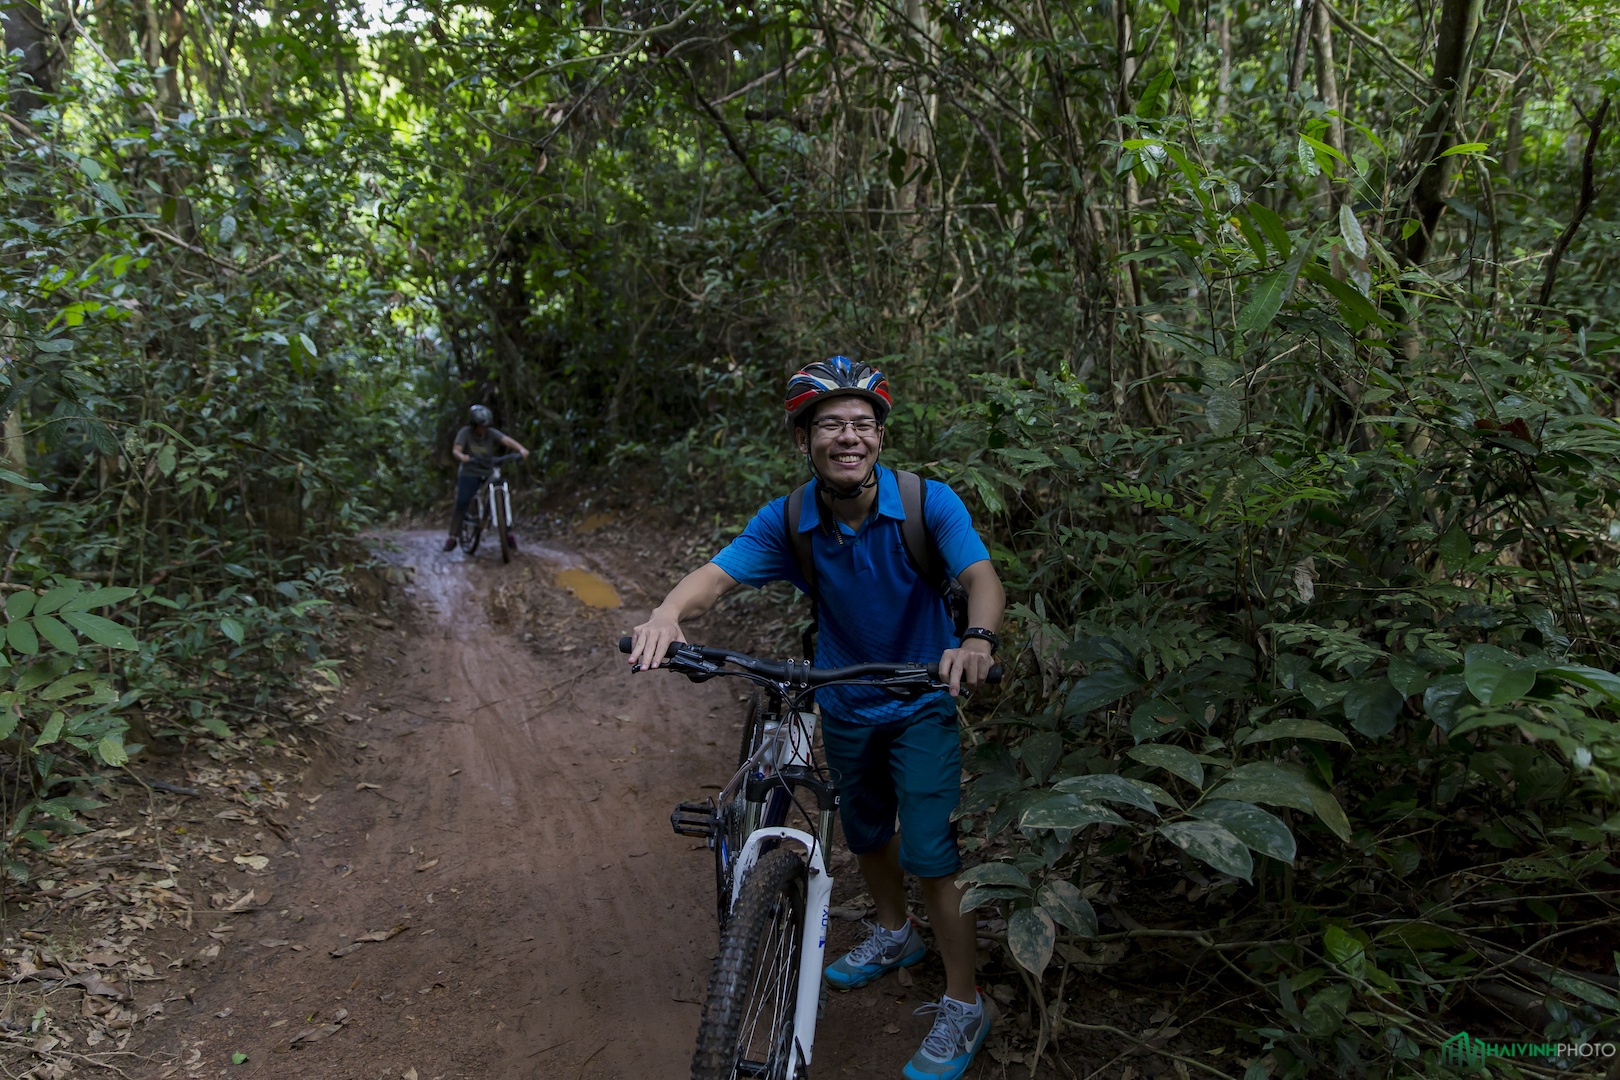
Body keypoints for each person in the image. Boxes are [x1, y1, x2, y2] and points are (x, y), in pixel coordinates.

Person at [627, 356, 1005, 1080]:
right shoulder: (792, 519)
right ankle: (896, 933)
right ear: (804, 439)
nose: (848, 437)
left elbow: (980, 579)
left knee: (930, 851)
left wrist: (977, 641)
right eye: (830, 424)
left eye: (862, 423)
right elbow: (718, 575)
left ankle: (966, 1002)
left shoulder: (929, 504)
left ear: (880, 437)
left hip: (922, 698)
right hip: (845, 700)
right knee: (863, 833)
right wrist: (667, 614)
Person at [443, 404, 529, 552]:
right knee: (463, 501)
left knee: (502, 490)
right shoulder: (465, 433)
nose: (484, 429)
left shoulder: (491, 433)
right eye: (481, 427)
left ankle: (507, 531)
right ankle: (453, 537)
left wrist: (520, 449)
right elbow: (456, 450)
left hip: (488, 469)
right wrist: (462, 456)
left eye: (486, 426)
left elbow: (506, 440)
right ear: (473, 425)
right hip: (470, 471)